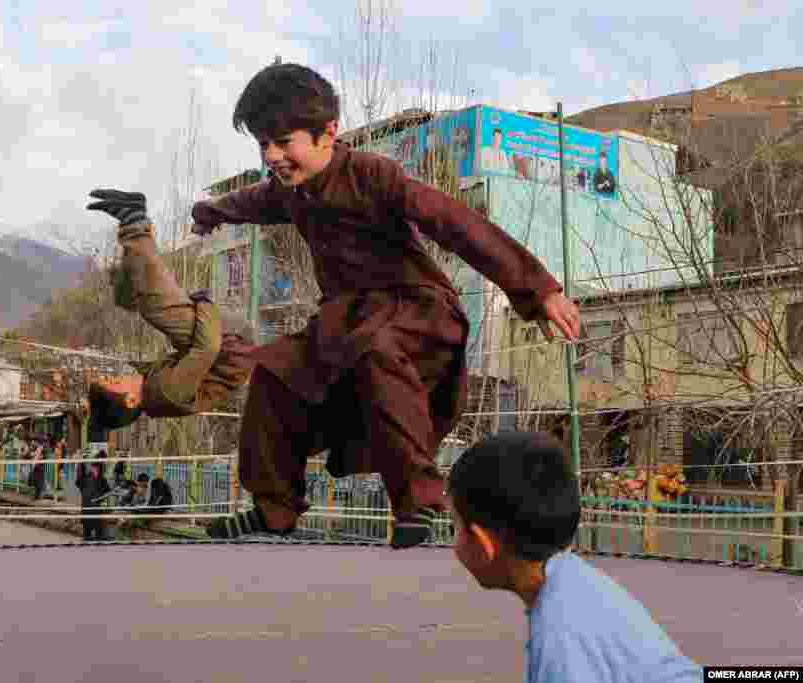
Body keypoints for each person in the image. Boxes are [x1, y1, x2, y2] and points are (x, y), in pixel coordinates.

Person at [187, 63, 579, 547]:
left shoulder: (371, 175)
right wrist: (208, 212)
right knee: (276, 371)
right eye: (263, 145)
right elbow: (247, 201)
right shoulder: (288, 192)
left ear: (328, 132)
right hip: (345, 318)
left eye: (283, 142)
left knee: (377, 350)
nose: (273, 157)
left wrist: (536, 288)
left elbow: (452, 221)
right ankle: (274, 507)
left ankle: (420, 503)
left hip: (417, 308)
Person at [447, 431, 701, 682]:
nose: (454, 539)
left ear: (484, 544)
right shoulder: (572, 578)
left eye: (454, 527)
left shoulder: (561, 636)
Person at [82, 190, 258, 442]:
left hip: (223, 344)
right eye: (114, 381)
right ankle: (134, 221)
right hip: (231, 344)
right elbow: (207, 349)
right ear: (131, 400)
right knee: (153, 307)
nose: (117, 375)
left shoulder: (152, 389)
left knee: (127, 297)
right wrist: (206, 305)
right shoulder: (167, 391)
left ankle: (137, 226)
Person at [76, 461, 110, 541]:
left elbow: (107, 492)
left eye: (97, 468)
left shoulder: (102, 480)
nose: (96, 469)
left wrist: (105, 503)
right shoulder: (85, 478)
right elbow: (78, 481)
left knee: (99, 535)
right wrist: (80, 464)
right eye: (94, 467)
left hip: (97, 512)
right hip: (87, 511)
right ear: (91, 468)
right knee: (87, 535)